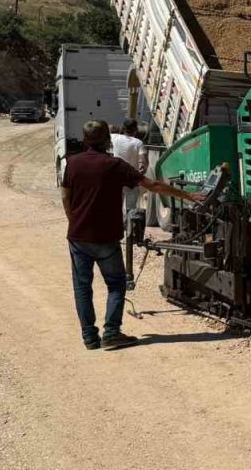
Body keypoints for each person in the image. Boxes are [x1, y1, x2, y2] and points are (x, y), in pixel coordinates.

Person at [60, 120, 205, 350]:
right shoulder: (115, 165)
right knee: (116, 285)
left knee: (82, 287)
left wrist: (73, 220)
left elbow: (65, 197)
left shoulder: (72, 164)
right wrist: (188, 195)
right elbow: (153, 186)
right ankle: (112, 333)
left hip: (78, 237)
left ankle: (89, 337)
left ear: (85, 140)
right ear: (107, 139)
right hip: (106, 237)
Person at [110, 119, 148, 215]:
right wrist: (143, 170)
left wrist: (117, 128)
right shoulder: (138, 143)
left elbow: (108, 127)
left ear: (123, 128)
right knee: (131, 209)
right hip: (131, 178)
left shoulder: (114, 137)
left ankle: (117, 227)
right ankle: (129, 227)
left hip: (116, 178)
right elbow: (143, 161)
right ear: (136, 130)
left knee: (115, 206)